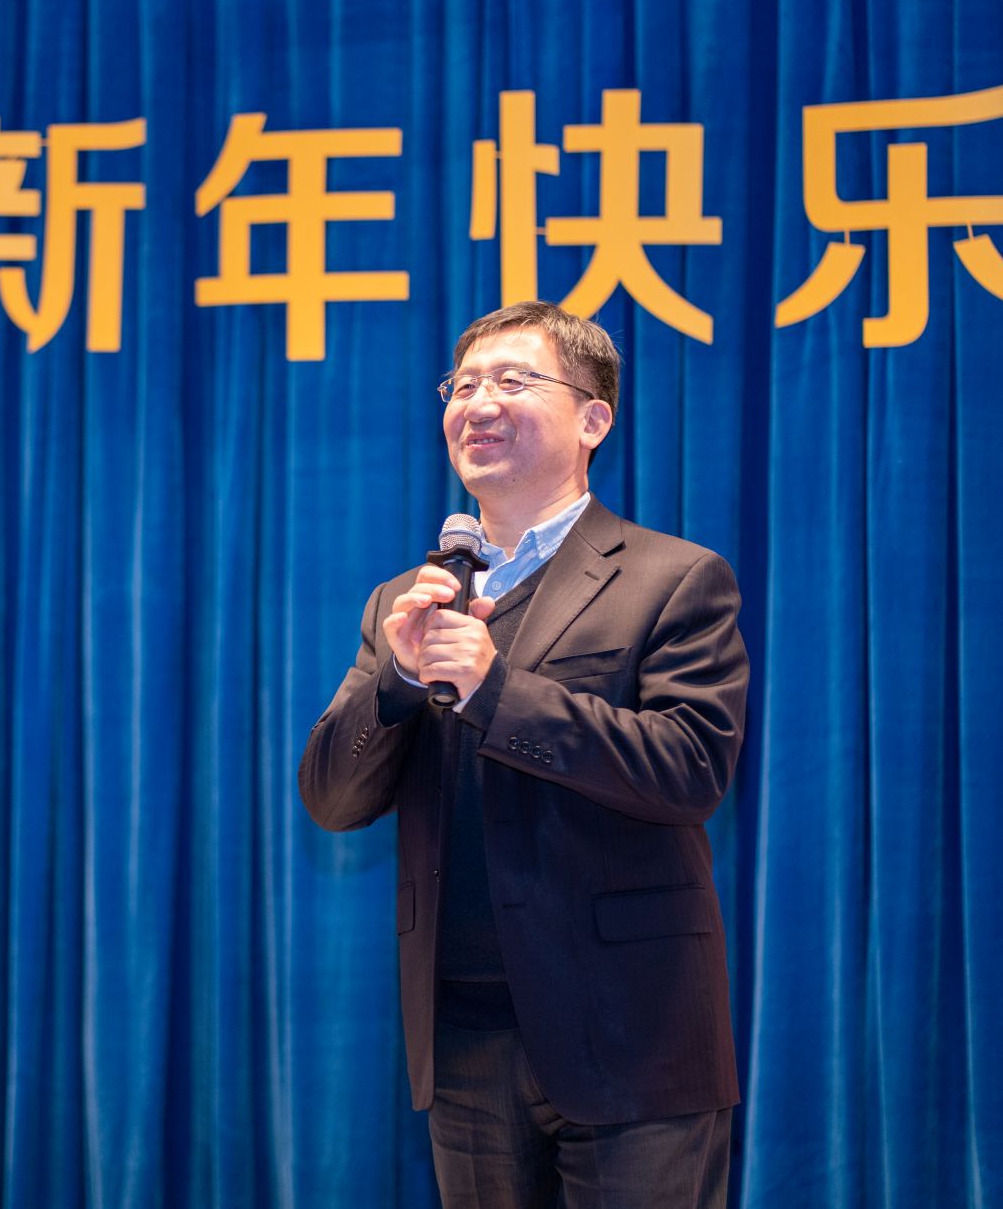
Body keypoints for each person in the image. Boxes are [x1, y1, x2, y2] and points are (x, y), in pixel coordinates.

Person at [299, 302, 749, 1209]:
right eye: (462, 386)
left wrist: (495, 689)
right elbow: (333, 800)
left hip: (632, 1029)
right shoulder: (407, 601)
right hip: (463, 1035)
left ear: (593, 419)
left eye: (512, 380)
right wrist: (398, 678)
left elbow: (689, 770)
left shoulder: (672, 578)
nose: (478, 403)